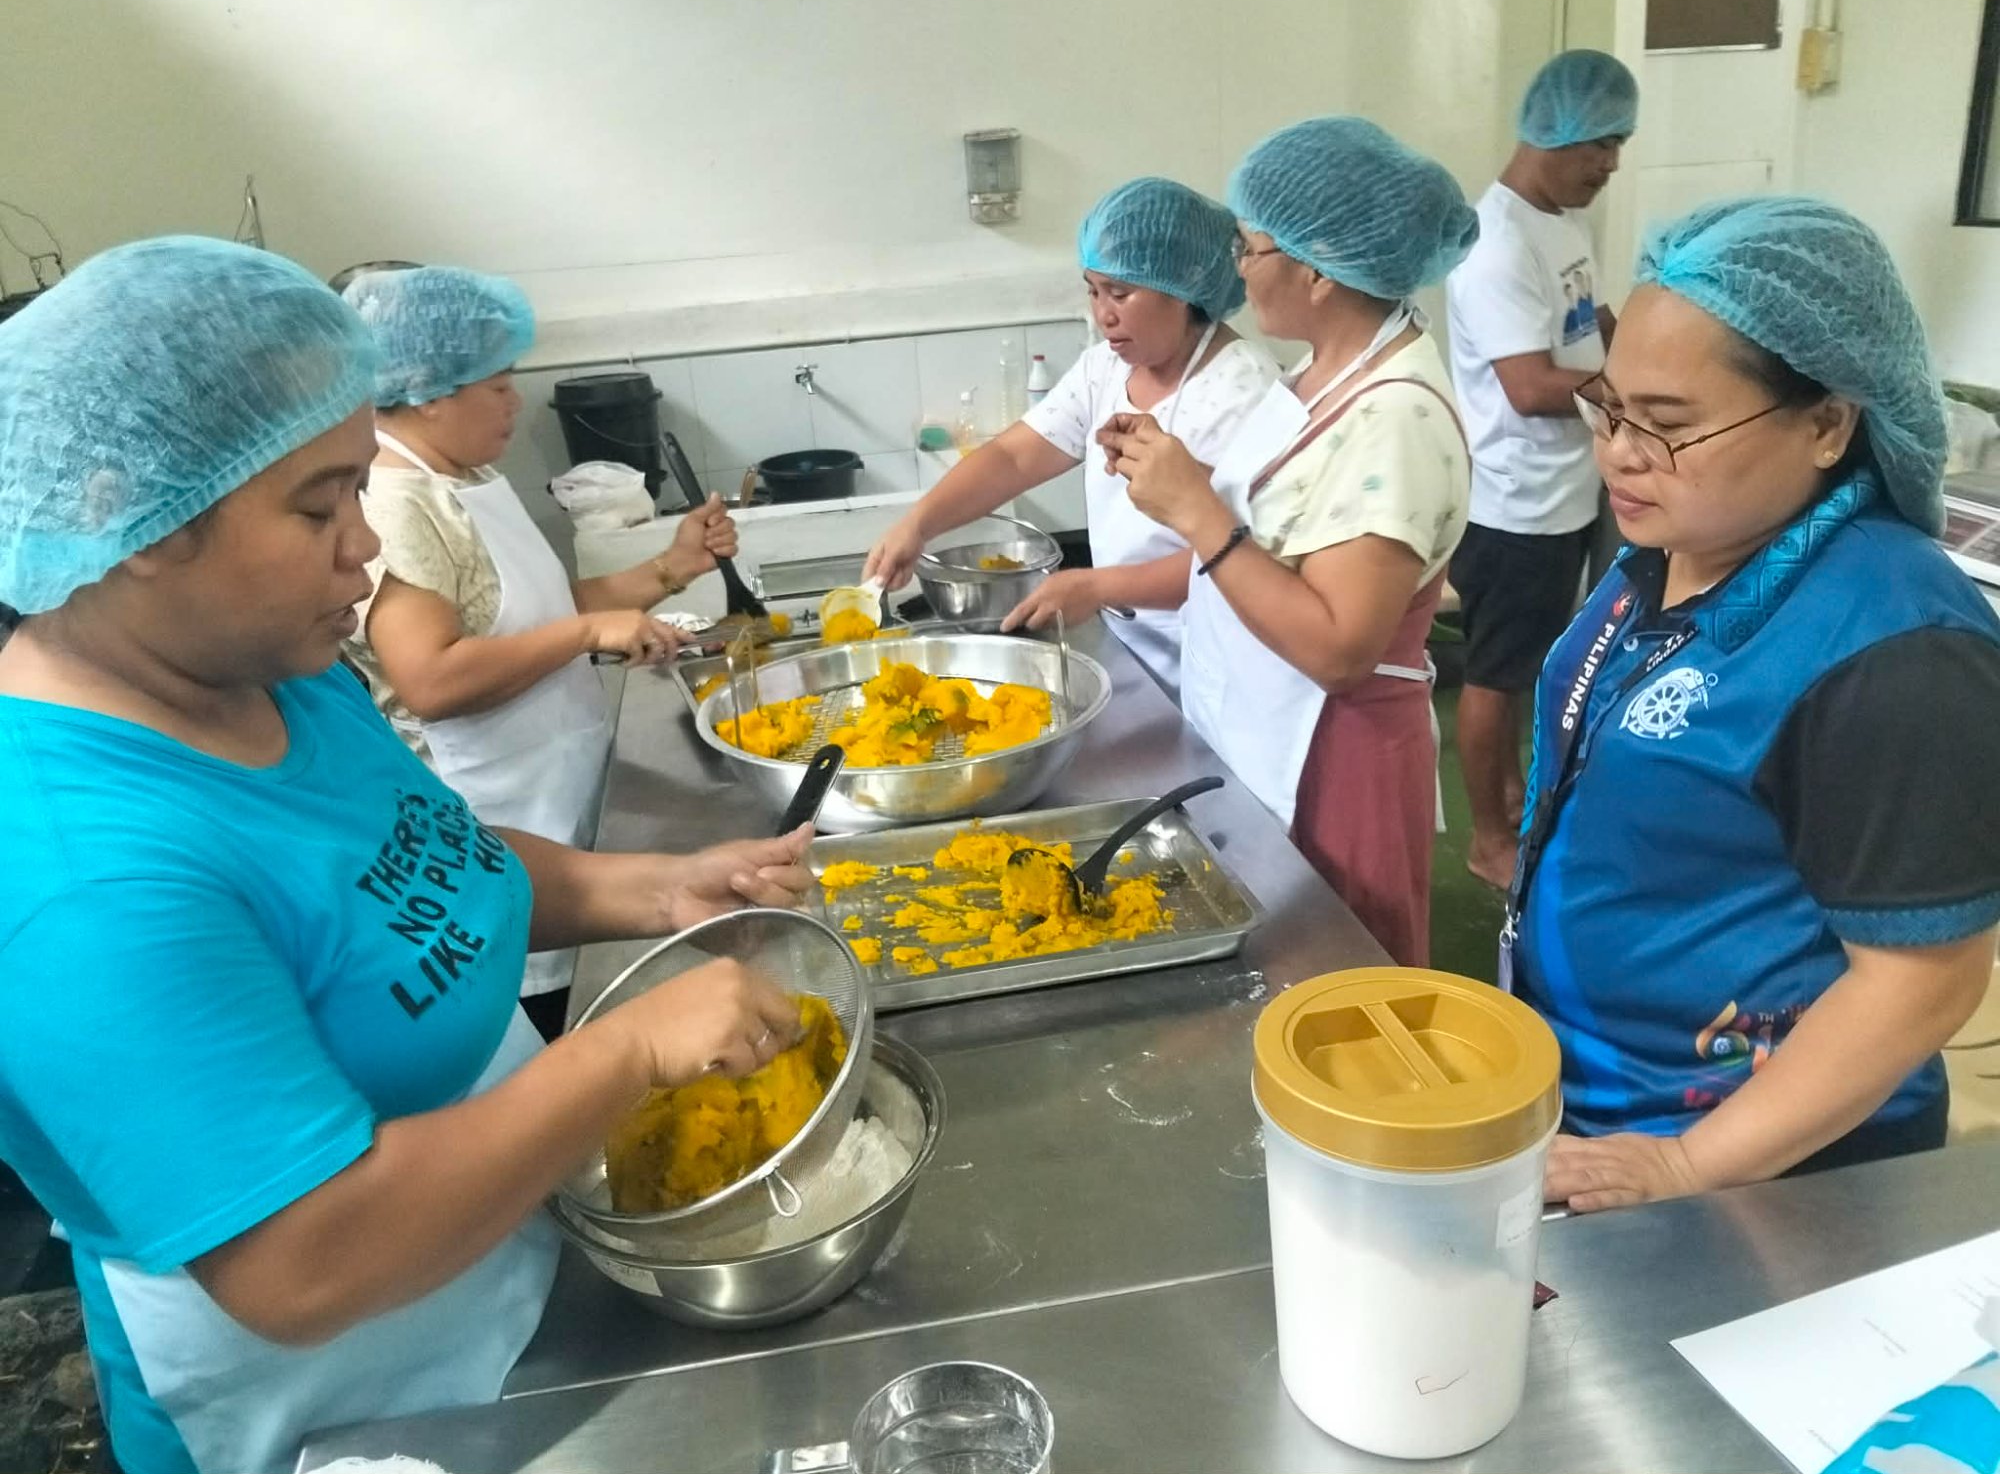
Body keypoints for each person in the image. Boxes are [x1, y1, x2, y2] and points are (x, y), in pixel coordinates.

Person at [0, 236, 817, 1474]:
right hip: (335, 1410)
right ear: (135, 519)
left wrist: (642, 887)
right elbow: (303, 1258)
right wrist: (627, 1049)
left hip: (492, 1293)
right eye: (319, 505)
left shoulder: (269, 667)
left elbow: (419, 861)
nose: (366, 553)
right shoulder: (79, 878)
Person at [1509, 198, 2000, 1212]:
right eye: (1608, 407)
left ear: (1826, 421)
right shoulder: (1676, 545)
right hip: (1599, 1108)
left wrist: (1688, 1163)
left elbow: (1921, 980)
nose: (1617, 451)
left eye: (1669, 424)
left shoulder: (1891, 647)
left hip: (1763, 1164)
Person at [1100, 118, 1477, 965]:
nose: (1238, 268)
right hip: (1261, 724)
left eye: (1250, 247)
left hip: (1334, 759)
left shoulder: (1397, 416)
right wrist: (1177, 476)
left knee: (1341, 997)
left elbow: (1342, 648)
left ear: (1314, 269)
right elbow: (1282, 523)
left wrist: (1197, 510)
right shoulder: (1317, 374)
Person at [340, 265, 740, 1037]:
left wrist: (671, 567)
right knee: (549, 1020)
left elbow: (542, 612)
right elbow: (431, 676)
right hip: (492, 814)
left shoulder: (468, 478)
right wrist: (589, 635)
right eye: (497, 384)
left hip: (560, 795)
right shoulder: (396, 501)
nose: (516, 401)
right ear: (429, 390)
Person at [864, 178, 1277, 698]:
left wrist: (1100, 586)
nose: (1102, 313)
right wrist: (919, 524)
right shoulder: (1104, 369)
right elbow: (1015, 457)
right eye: (1093, 289)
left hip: (1214, 656)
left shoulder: (1242, 390)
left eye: (1121, 293)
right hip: (1129, 641)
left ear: (1183, 288)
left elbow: (1246, 554)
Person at [1446, 48, 1638, 888]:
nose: (1611, 163)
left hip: (1568, 492)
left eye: (1619, 143)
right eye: (1600, 142)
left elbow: (1586, 319)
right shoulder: (1494, 241)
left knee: (1531, 664)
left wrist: (1638, 345)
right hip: (1513, 503)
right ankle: (1487, 839)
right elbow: (1527, 387)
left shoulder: (1561, 218)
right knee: (1494, 674)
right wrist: (1635, 397)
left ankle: (1518, 798)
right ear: (1551, 132)